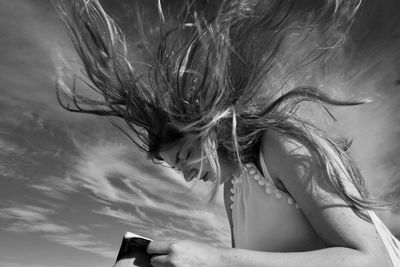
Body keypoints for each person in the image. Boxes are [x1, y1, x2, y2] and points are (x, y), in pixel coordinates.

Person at [53, 0, 400, 266]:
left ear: (212, 127)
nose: (187, 174)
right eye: (177, 168)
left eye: (185, 156)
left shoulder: (283, 144)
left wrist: (214, 259)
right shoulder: (233, 188)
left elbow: (372, 260)